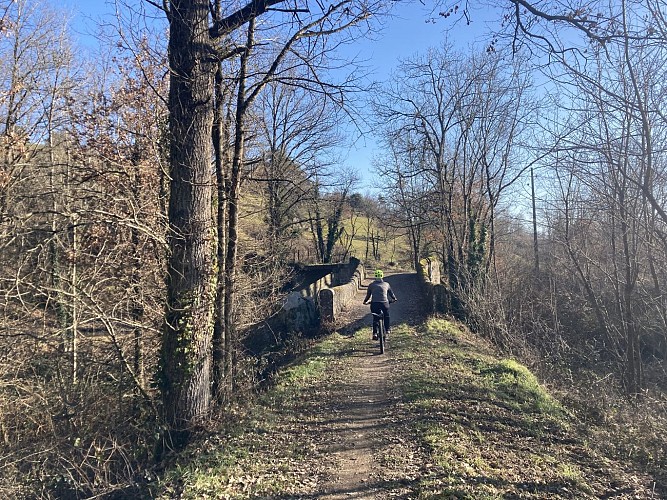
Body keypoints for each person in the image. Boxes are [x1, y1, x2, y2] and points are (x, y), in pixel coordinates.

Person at [363, 269, 397, 340]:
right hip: (385, 303)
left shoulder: (371, 285)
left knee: (375, 318)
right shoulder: (386, 284)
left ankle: (375, 333)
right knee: (386, 315)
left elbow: (368, 296)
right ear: (382, 276)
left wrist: (365, 301)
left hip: (374, 304)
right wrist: (394, 299)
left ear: (375, 276)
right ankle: (387, 329)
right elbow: (391, 294)